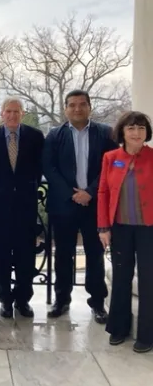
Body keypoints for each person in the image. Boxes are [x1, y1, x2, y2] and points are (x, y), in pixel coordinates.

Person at [43, 89, 117, 322]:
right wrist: (71, 194)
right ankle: (61, 300)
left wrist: (90, 193)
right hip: (64, 205)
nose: (77, 109)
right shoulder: (55, 135)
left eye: (82, 104)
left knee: (95, 254)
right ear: (65, 108)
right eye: (72, 105)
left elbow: (111, 166)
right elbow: (48, 167)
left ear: (89, 107)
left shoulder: (105, 134)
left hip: (95, 204)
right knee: (63, 254)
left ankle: (97, 303)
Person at [0, 98, 44, 318]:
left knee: (26, 254)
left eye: (16, 111)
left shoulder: (36, 137)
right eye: (8, 111)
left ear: (22, 113)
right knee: (0, 255)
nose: (12, 115)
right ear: (2, 114)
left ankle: (23, 300)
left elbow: (38, 170)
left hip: (26, 206)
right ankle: (5, 300)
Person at [98, 111, 153, 353]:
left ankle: (147, 334)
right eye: (131, 128)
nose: (136, 132)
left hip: (149, 230)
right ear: (122, 131)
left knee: (149, 281)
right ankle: (118, 328)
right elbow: (103, 193)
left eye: (141, 128)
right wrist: (103, 227)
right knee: (121, 278)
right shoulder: (111, 158)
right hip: (120, 228)